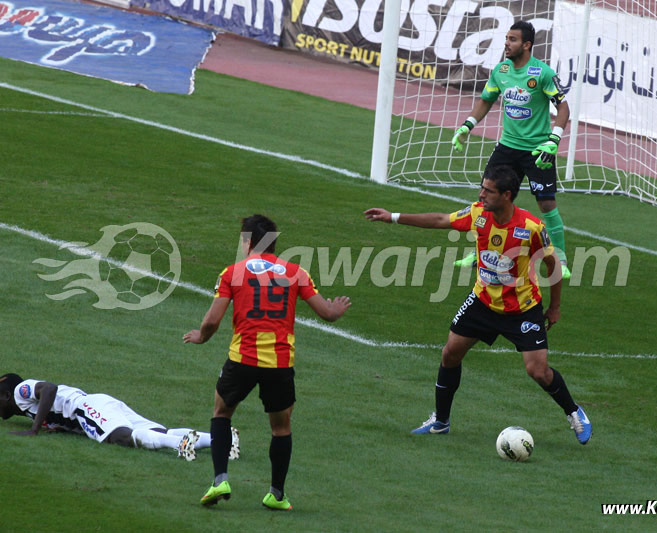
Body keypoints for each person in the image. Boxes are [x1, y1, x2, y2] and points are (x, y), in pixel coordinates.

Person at [364, 165, 591, 445]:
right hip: (482, 302)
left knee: (538, 371)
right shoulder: (478, 214)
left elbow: (552, 264)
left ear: (507, 195)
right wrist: (393, 217)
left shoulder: (531, 227)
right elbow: (439, 220)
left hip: (521, 309)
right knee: (450, 354)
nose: (481, 194)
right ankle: (440, 421)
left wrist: (555, 307)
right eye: (482, 187)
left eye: (488, 190)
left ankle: (574, 412)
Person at [183, 214, 351, 510]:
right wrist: (336, 310)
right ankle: (276, 494)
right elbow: (326, 313)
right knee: (281, 428)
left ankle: (219, 479)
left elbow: (212, 320)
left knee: (221, 413)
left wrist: (201, 336)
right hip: (280, 364)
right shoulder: (296, 272)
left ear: (247, 242)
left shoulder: (232, 272)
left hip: (242, 359)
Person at [451, 20, 572, 279]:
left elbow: (563, 108)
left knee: (546, 203)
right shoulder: (501, 70)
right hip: (507, 147)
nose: (507, 43)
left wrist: (554, 139)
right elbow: (486, 100)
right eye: (507, 38)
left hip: (538, 149)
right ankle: (480, 252)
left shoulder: (542, 73)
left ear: (526, 45)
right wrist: (467, 125)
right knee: (488, 196)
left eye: (513, 39)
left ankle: (560, 258)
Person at [0, 373, 231, 460]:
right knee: (158, 433)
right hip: (100, 402)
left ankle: (180, 445)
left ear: (6, 394)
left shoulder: (19, 391)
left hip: (85, 407)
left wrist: (34, 429)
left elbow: (50, 388)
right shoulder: (26, 406)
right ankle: (222, 439)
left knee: (120, 438)